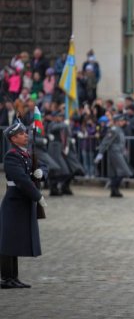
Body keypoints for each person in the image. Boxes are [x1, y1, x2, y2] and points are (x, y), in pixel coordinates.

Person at [0, 121, 47, 289]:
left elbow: (43, 166)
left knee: (14, 241)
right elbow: (21, 180)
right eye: (21, 134)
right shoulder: (11, 156)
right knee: (7, 242)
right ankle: (6, 278)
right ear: (13, 138)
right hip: (14, 202)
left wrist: (41, 174)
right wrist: (37, 196)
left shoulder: (26, 153)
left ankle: (13, 277)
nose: (26, 135)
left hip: (22, 202)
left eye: (26, 133)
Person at [95, 114, 133, 198]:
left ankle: (114, 190)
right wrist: (100, 153)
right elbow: (106, 141)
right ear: (117, 122)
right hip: (115, 153)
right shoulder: (114, 129)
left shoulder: (119, 129)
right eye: (121, 121)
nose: (123, 122)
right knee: (124, 171)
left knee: (115, 173)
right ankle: (114, 188)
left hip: (118, 152)